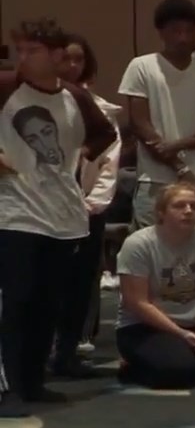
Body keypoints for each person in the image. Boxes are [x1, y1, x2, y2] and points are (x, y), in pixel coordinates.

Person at [0, 19, 121, 417]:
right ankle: (10, 386)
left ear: (56, 55)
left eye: (32, 51)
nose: (22, 58)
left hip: (62, 213)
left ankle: (34, 382)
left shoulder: (75, 97)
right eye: (20, 50)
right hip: (14, 212)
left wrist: (81, 153)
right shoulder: (5, 87)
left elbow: (105, 133)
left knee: (47, 302)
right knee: (17, 299)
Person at [113, 181, 195, 390]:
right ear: (161, 212)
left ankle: (188, 360)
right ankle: (133, 366)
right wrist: (180, 333)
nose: (188, 211)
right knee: (176, 371)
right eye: (179, 206)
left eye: (194, 206)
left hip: (192, 323)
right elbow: (137, 302)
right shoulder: (138, 244)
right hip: (144, 327)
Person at [118, 0, 195, 229]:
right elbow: (140, 124)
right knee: (152, 244)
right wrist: (180, 166)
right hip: (156, 179)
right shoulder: (142, 66)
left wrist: (177, 145)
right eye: (176, 31)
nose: (183, 38)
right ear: (161, 32)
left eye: (189, 31)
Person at [51, 34, 122, 379]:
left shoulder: (102, 110)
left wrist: (93, 204)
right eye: (65, 58)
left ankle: (68, 353)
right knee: (44, 284)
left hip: (87, 208)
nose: (72, 65)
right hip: (43, 210)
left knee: (81, 285)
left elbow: (109, 163)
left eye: (78, 59)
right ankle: (36, 354)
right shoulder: (37, 103)